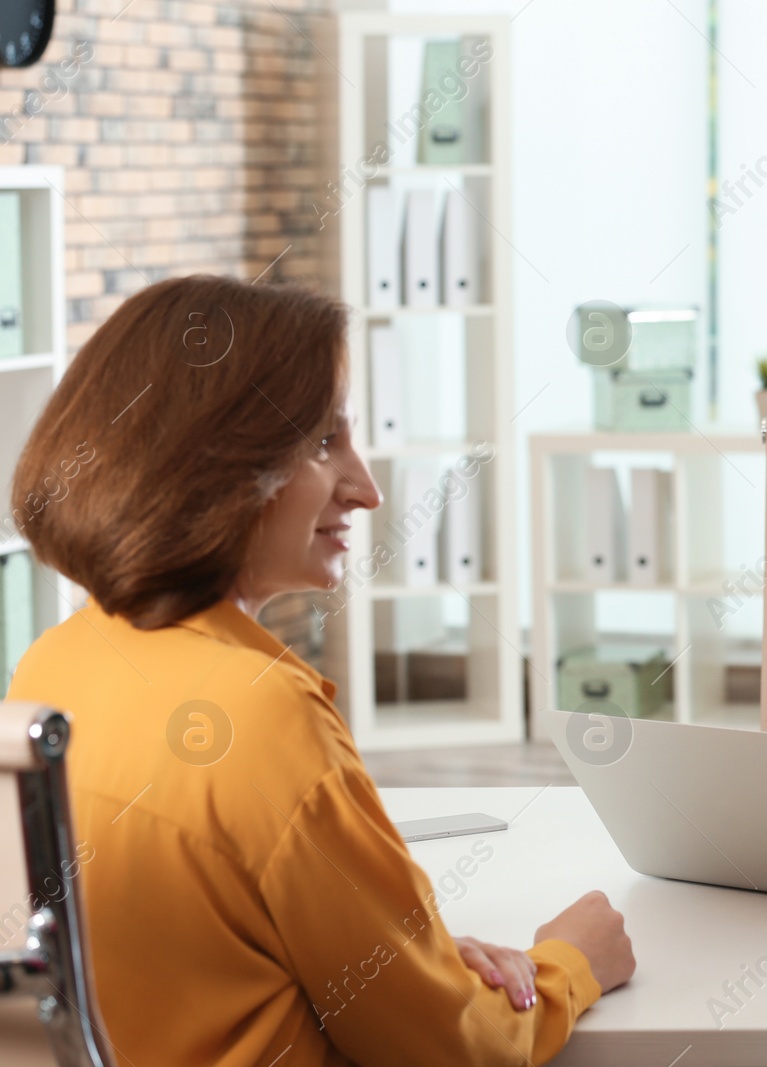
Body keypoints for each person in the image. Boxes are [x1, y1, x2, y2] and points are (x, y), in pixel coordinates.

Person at [4, 275, 635, 1065]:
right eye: (322, 442)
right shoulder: (263, 716)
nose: (368, 491)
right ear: (213, 463)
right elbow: (460, 1050)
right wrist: (572, 961)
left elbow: (187, 960)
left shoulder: (53, 660)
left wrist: (414, 967)